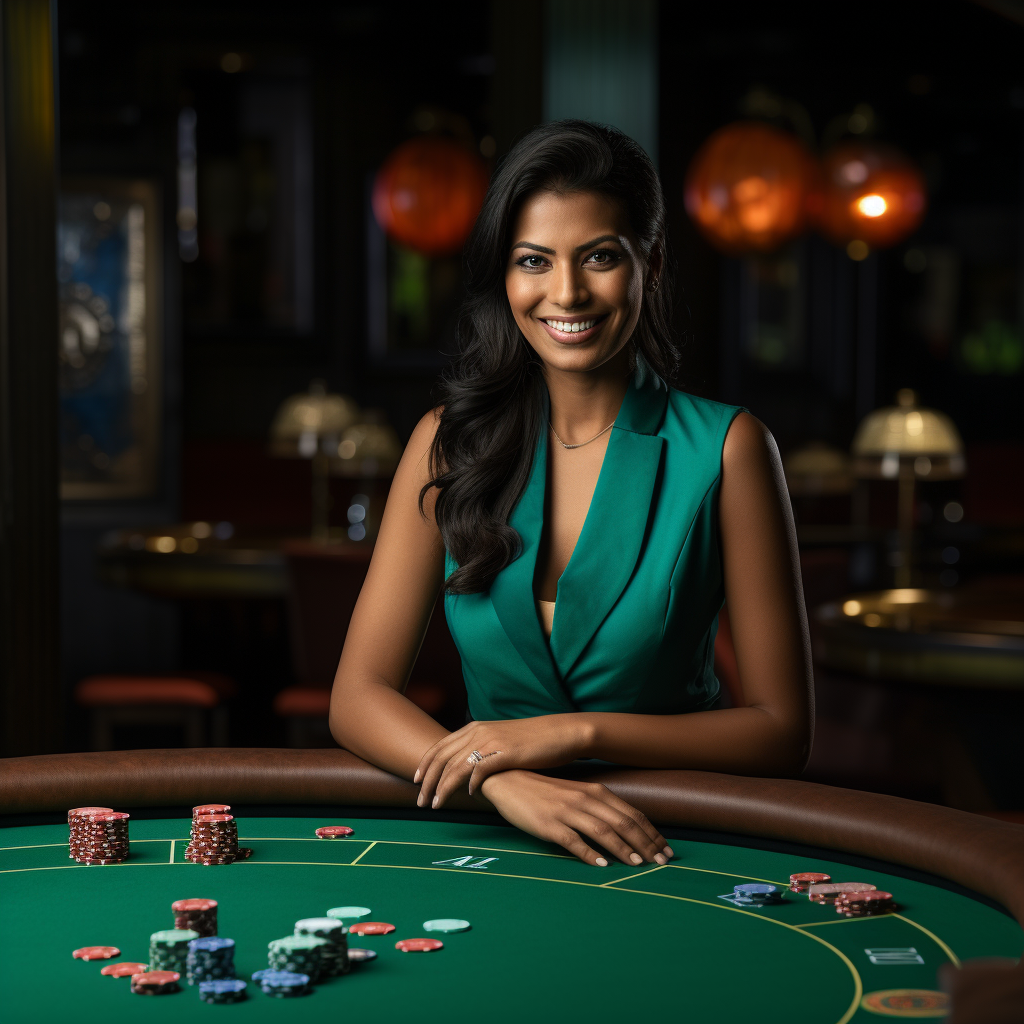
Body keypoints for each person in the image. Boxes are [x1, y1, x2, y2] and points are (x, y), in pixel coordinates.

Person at [330, 120, 813, 868]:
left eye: (599, 257)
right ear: (505, 275)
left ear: (648, 264)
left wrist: (576, 732)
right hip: (488, 844)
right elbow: (357, 697)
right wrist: (500, 782)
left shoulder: (729, 448)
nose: (566, 293)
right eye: (534, 260)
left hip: (666, 847)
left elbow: (782, 732)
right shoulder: (446, 443)